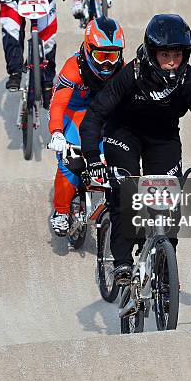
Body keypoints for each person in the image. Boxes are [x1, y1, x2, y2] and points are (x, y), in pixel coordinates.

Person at [80, 14, 191, 285]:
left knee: (169, 202)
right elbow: (95, 114)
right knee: (126, 194)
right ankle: (123, 264)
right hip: (124, 134)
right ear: (151, 52)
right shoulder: (131, 74)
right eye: (164, 54)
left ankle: (164, 264)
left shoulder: (189, 80)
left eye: (177, 54)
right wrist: (92, 156)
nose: (171, 62)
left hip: (163, 138)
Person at [48, 16, 125, 235]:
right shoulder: (73, 67)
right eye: (101, 56)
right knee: (70, 162)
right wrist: (56, 133)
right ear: (88, 50)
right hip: (71, 114)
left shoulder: (122, 69)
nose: (108, 64)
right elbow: (58, 103)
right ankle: (61, 211)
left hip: (102, 115)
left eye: (113, 56)